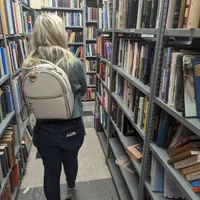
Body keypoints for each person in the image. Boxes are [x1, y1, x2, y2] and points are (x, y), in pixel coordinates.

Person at [22, 13, 87, 200]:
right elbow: (82, 90)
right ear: (60, 33)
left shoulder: (28, 65)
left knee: (50, 171)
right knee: (71, 159)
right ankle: (72, 184)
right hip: (71, 126)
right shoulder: (73, 63)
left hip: (42, 127)